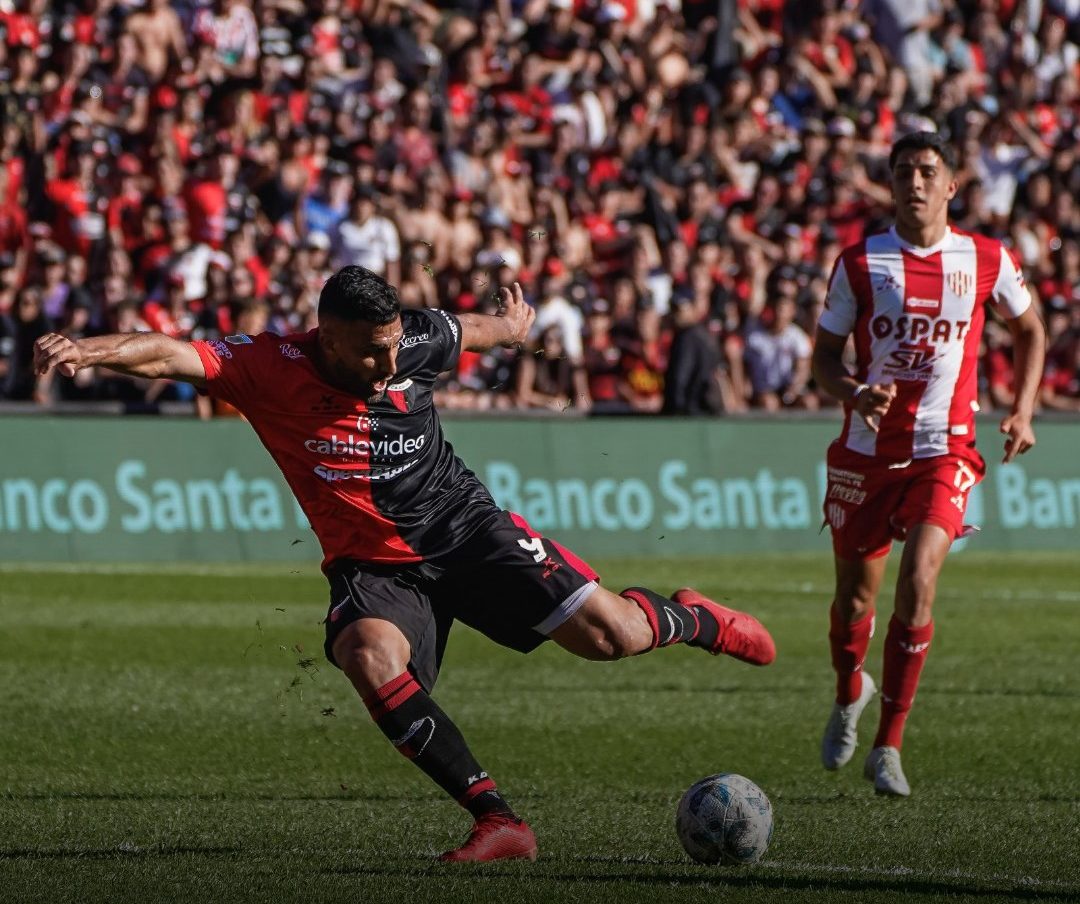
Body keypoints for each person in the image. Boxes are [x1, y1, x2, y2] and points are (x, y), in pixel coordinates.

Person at [34, 265, 775, 861]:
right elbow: (165, 351)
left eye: (395, 347)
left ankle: (693, 618)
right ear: (327, 337)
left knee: (613, 638)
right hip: (372, 564)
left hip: (466, 526)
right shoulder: (266, 366)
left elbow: (473, 330)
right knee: (366, 653)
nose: (390, 363)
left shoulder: (409, 340)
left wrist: (512, 327)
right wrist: (86, 350)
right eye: (371, 351)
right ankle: (498, 821)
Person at [812, 132, 1045, 797]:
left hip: (946, 450)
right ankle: (849, 690)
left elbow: (1031, 330)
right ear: (890, 184)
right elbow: (822, 359)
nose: (914, 182)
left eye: (926, 171)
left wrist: (1024, 410)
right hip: (866, 453)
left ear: (951, 185)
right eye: (903, 172)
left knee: (918, 581)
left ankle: (888, 745)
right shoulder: (861, 262)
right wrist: (854, 391)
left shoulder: (987, 258)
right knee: (854, 601)